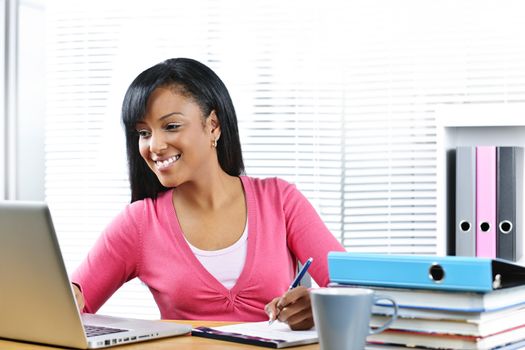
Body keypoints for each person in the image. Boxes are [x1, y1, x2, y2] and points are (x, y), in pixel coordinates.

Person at [71, 58, 345, 330]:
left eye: (171, 126)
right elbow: (71, 306)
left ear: (213, 125)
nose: (154, 145)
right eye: (144, 132)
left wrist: (319, 303)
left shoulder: (280, 200)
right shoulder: (140, 221)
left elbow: (356, 291)